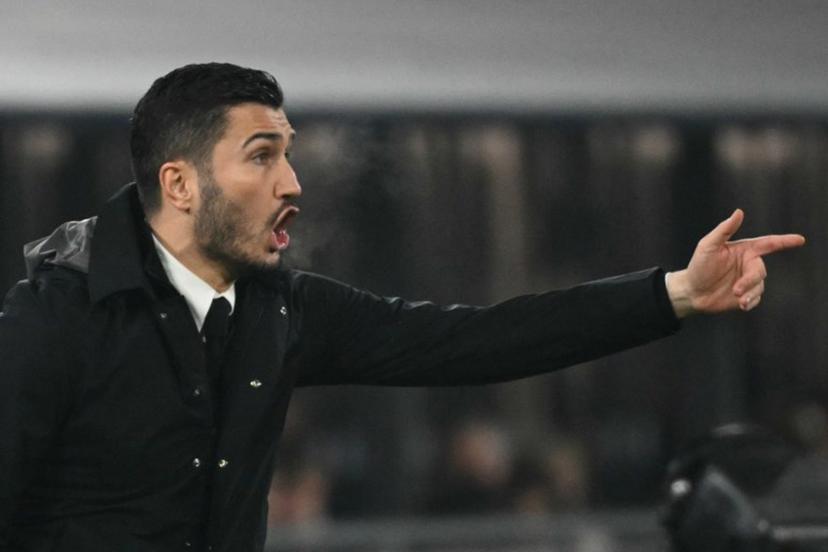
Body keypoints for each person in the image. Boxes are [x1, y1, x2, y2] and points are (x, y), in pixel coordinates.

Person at [0, 62, 805, 552]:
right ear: (178, 184)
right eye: (262, 157)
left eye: (291, 154)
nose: (293, 184)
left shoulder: (283, 312)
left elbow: (477, 342)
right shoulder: (56, 319)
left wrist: (676, 293)